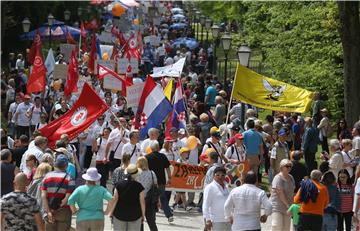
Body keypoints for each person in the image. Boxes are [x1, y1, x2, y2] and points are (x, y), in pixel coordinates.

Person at [41, 154, 75, 231]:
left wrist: (49, 211)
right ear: (66, 165)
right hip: (63, 212)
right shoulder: (70, 178)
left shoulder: (47, 177)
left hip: (48, 209)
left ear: (55, 165)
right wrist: (56, 209)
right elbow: (67, 198)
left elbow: (43, 196)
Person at [107, 164, 145, 231]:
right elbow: (142, 202)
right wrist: (143, 215)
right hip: (135, 214)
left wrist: (111, 212)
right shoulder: (139, 186)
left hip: (119, 214)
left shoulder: (118, 184)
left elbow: (115, 199)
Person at [146, 140, 174, 223]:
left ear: (151, 148)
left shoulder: (147, 157)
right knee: (163, 198)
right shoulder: (163, 156)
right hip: (161, 181)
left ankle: (149, 216)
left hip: (150, 181)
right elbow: (168, 167)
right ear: (158, 148)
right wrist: (169, 177)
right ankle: (169, 215)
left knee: (149, 198)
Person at [270, 159, 295, 231]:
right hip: (278, 207)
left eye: (290, 166)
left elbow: (292, 192)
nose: (289, 168)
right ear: (281, 167)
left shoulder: (291, 177)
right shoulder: (277, 178)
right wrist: (288, 206)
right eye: (287, 166)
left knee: (286, 229)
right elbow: (280, 193)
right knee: (277, 226)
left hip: (288, 207)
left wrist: (292, 206)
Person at [203, 166, 231, 231]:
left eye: (222, 175)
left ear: (225, 176)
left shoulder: (227, 187)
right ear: (213, 176)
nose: (220, 177)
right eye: (217, 175)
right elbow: (205, 205)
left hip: (228, 220)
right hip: (216, 221)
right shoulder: (210, 187)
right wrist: (207, 220)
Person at [137, 157, 159, 231]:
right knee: (152, 222)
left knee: (140, 222)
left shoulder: (136, 173)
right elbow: (156, 187)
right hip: (150, 200)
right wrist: (158, 200)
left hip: (138, 200)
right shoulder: (152, 173)